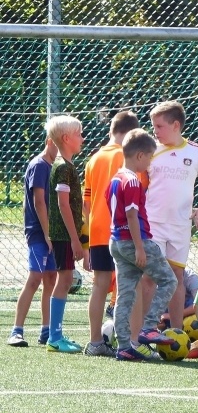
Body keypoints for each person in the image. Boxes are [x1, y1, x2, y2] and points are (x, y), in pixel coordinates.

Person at [106, 129, 178, 361]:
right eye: (149, 158)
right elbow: (131, 215)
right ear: (139, 155)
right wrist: (139, 246)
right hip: (134, 240)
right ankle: (148, 327)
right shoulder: (132, 181)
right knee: (169, 280)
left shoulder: (115, 179)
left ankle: (124, 346)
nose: (149, 163)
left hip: (116, 241)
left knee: (125, 295)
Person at [144, 101, 198, 330]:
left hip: (180, 226)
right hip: (152, 223)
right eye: (153, 126)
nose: (155, 131)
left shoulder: (196, 152)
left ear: (176, 125)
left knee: (176, 276)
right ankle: (146, 330)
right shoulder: (150, 150)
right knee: (150, 276)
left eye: (159, 126)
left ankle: (176, 331)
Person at [82, 110, 140, 357]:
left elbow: (86, 203)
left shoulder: (94, 158)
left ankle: (96, 341)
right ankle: (132, 342)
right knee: (132, 284)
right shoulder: (127, 156)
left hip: (97, 229)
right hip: (121, 229)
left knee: (99, 285)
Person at [7, 133, 59, 347]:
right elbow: (39, 202)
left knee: (51, 279)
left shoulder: (54, 166)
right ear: (49, 141)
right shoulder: (39, 165)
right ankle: (16, 331)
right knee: (35, 278)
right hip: (39, 233)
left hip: (51, 233)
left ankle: (46, 331)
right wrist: (47, 233)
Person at [45, 115, 87, 353]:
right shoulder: (63, 167)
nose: (83, 138)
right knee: (65, 280)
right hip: (63, 235)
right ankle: (54, 337)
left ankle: (56, 334)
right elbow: (63, 204)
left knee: (66, 280)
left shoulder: (66, 165)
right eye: (79, 134)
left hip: (64, 235)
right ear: (66, 138)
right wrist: (74, 239)